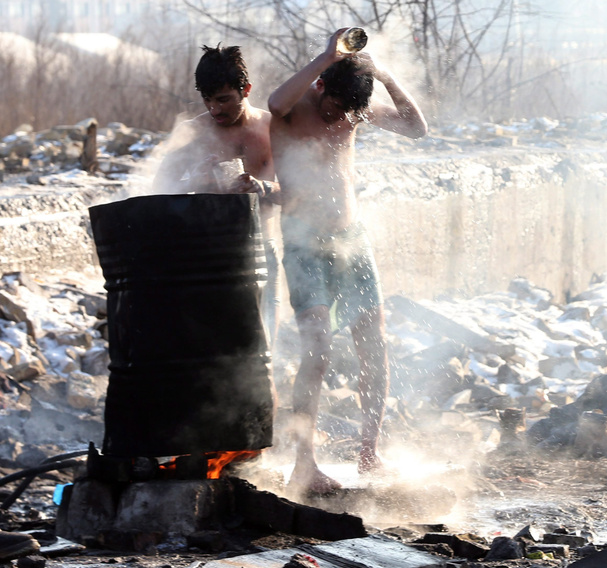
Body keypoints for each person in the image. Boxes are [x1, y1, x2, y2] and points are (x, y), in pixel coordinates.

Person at [267, 28, 427, 495]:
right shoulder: (295, 107)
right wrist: (324, 58)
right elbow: (275, 101)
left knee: (373, 345)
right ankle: (304, 463)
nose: (339, 117)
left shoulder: (354, 111)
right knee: (316, 348)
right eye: (335, 105)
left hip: (351, 241)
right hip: (303, 242)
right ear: (321, 87)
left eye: (348, 111)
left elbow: (416, 129)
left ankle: (370, 451)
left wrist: (384, 74)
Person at [153, 44, 284, 357]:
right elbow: (158, 189)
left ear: (246, 90)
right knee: (211, 349)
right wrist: (196, 181)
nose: (215, 109)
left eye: (223, 99)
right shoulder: (193, 131)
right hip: (206, 253)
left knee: (263, 348)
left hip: (260, 247)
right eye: (207, 100)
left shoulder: (271, 128)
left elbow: (296, 191)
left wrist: (262, 188)